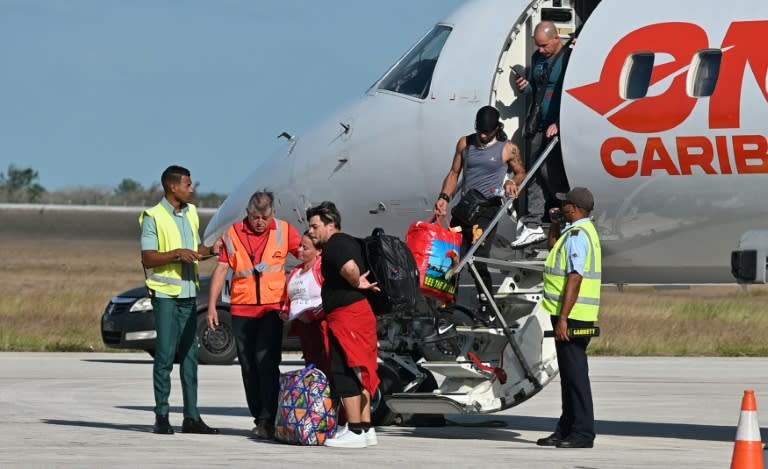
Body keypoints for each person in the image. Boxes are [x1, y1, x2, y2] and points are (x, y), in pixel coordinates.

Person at [207, 191, 301, 440]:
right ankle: (258, 414)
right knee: (248, 366)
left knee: (266, 362)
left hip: (271, 310)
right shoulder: (233, 233)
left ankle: (268, 419)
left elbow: (306, 255)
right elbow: (221, 269)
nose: (259, 221)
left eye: (264, 216)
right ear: (247, 213)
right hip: (242, 310)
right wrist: (212, 306)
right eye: (255, 216)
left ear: (273, 213)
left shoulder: (284, 230)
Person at [139, 164, 219, 435]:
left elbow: (194, 250)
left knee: (190, 357)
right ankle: (161, 415)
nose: (192, 188)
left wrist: (210, 250)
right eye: (187, 184)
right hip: (165, 297)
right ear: (173, 187)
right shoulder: (153, 216)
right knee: (164, 356)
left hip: (188, 295)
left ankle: (192, 417)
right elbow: (147, 257)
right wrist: (175, 254)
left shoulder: (192, 213)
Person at [433, 105, 525, 325]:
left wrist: (512, 182)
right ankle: (446, 306)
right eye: (480, 132)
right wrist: (444, 197)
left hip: (488, 209)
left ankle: (486, 305)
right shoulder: (465, 143)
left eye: (487, 133)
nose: (483, 136)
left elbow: (521, 172)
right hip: (465, 207)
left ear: (496, 129)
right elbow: (454, 173)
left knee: (475, 256)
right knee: (448, 256)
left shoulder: (508, 149)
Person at [306, 201, 380, 449]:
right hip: (358, 314)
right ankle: (367, 429)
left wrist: (355, 282)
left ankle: (355, 431)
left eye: (315, 226)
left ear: (331, 225)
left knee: (344, 369)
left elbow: (350, 268)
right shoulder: (350, 241)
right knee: (362, 370)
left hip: (348, 316)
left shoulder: (335, 245)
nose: (310, 232)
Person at [536, 187, 601, 449]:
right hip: (571, 315)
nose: (562, 208)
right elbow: (553, 246)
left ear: (574, 208)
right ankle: (566, 428)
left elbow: (575, 276)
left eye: (565, 206)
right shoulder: (575, 232)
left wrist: (563, 317)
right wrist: (554, 224)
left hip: (573, 317)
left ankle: (583, 433)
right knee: (569, 375)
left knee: (576, 376)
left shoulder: (577, 235)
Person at [512, 21, 572, 247]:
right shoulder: (538, 59)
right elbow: (537, 89)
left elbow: (568, 90)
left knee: (550, 171)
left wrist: (559, 120)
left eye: (545, 45)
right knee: (534, 171)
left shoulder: (568, 58)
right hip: (538, 123)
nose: (541, 50)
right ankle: (533, 222)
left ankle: (566, 212)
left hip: (557, 123)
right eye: (538, 46)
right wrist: (524, 86)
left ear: (557, 38)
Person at [281, 232, 331, 376]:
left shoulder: (323, 268)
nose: (300, 250)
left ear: (319, 251)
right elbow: (290, 296)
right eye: (300, 246)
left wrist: (311, 315)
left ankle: (330, 398)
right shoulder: (296, 270)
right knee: (312, 367)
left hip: (321, 326)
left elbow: (328, 297)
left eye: (305, 248)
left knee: (325, 366)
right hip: (303, 328)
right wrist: (285, 311)